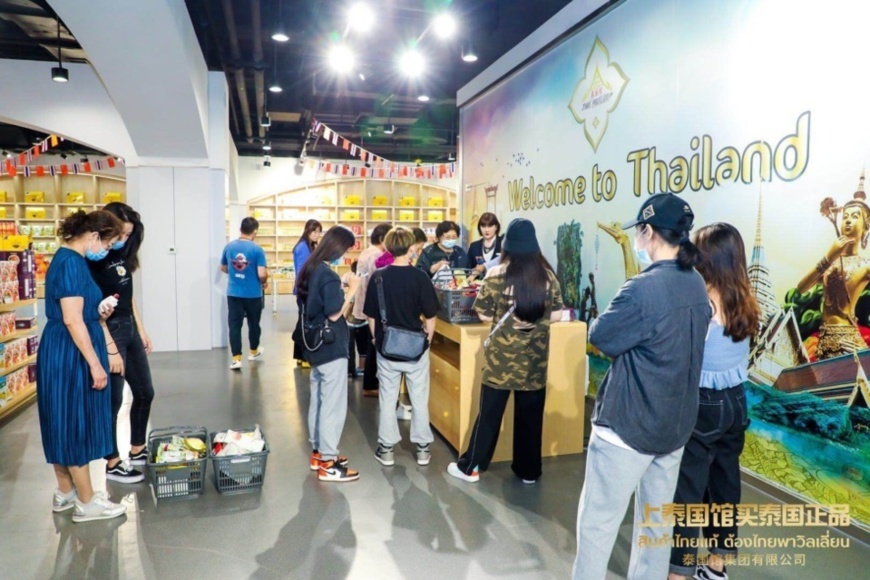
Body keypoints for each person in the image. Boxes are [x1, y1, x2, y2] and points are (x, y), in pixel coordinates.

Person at [572, 193, 711, 580]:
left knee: (598, 525)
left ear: (648, 232)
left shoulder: (641, 289)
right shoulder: (696, 284)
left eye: (638, 231)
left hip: (628, 427)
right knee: (655, 529)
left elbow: (602, 336)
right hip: (674, 427)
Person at [669, 223, 760, 580]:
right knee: (726, 485)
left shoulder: (701, 299)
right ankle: (717, 565)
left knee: (688, 489)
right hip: (737, 403)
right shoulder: (745, 298)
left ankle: (678, 572)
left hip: (703, 404)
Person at [447, 218, 563, 484]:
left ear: (507, 245)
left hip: (501, 361)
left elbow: (485, 315)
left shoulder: (496, 274)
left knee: (489, 416)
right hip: (535, 359)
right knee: (531, 418)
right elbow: (556, 315)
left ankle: (471, 467)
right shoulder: (548, 276)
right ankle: (529, 471)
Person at [37, 210, 128, 523]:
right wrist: (95, 364)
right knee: (76, 420)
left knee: (60, 418)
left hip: (60, 346)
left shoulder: (63, 258)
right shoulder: (74, 263)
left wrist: (97, 312)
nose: (108, 249)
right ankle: (88, 503)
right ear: (94, 236)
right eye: (110, 242)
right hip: (73, 351)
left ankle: (66, 491)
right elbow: (72, 319)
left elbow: (75, 311)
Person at [87, 202, 155, 485]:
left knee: (145, 391)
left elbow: (127, 295)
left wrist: (141, 329)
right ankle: (112, 462)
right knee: (113, 402)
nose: (123, 241)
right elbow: (92, 307)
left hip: (128, 328)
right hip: (109, 330)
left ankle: (137, 448)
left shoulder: (122, 255)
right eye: (121, 235)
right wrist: (110, 347)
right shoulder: (93, 258)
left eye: (128, 236)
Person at [364, 227, 441, 466]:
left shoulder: (378, 277)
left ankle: (386, 449)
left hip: (387, 348)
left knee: (388, 398)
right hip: (416, 348)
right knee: (419, 397)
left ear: (387, 248)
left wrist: (377, 340)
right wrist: (427, 341)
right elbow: (430, 317)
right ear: (411, 248)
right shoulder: (421, 277)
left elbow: (371, 317)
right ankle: (422, 449)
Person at [297, 226, 361, 482]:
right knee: (333, 405)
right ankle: (329, 462)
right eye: (345, 250)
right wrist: (352, 289)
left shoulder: (311, 269)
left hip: (314, 347)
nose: (344, 254)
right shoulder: (328, 275)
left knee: (319, 401)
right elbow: (335, 313)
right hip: (331, 347)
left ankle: (318, 452)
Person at [796, 188, 870, 359]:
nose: (848, 221)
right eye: (845, 217)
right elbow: (801, 288)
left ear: (866, 227)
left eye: (854, 216)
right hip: (824, 341)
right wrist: (828, 257)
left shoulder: (865, 266)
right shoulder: (830, 262)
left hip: (848, 341)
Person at [220, 217, 268, 370]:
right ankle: (253, 352)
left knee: (234, 325)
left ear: (240, 229)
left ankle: (236, 359)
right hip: (253, 294)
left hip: (234, 293)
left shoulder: (229, 247)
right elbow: (261, 274)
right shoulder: (257, 250)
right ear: (255, 232)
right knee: (254, 324)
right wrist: (264, 281)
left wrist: (235, 273)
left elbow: (223, 267)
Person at [354, 223, 391, 396]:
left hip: (364, 304)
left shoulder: (366, 252)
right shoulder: (377, 256)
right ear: (383, 239)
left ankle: (370, 384)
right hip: (374, 308)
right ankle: (370, 385)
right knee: (374, 345)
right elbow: (380, 283)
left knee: (370, 344)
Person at [292, 219, 323, 367]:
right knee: (305, 323)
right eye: (314, 231)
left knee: (303, 321)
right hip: (305, 290)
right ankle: (304, 357)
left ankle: (299, 355)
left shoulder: (309, 246)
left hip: (306, 289)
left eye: (319, 231)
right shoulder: (303, 248)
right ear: (307, 231)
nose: (317, 234)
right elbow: (302, 271)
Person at [341, 260, 369, 378]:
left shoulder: (354, 286)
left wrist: (343, 319)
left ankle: (350, 370)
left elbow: (349, 305)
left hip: (351, 323)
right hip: (365, 321)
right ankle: (362, 368)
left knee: (350, 348)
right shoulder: (365, 284)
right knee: (363, 348)